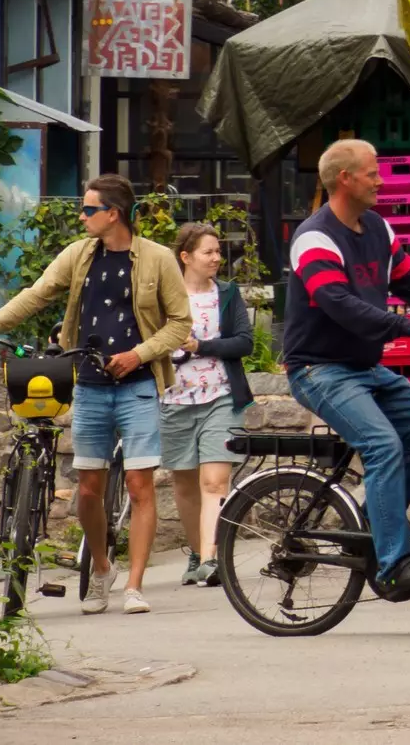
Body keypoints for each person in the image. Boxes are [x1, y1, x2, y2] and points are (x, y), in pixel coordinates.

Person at [0, 174, 189, 614]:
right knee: (88, 488)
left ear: (114, 213)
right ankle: (102, 566)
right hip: (89, 384)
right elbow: (35, 296)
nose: (82, 216)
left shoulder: (158, 259)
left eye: (89, 210)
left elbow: (180, 323)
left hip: (139, 386)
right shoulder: (78, 256)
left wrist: (139, 353)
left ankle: (134, 586)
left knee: (140, 484)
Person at [283, 140, 410, 597]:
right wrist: (409, 326)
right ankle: (392, 565)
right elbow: (338, 304)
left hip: (363, 367)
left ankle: (371, 526)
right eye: (372, 173)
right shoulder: (314, 237)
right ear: (345, 179)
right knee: (382, 445)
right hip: (319, 370)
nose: (380, 181)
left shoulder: (377, 228)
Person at [163, 222, 253, 588]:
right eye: (208, 252)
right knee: (184, 484)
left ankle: (212, 560)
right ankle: (197, 553)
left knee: (214, 482)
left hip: (222, 396)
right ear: (185, 257)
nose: (216, 258)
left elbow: (244, 343)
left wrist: (201, 346)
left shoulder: (228, 295)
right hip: (173, 399)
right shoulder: (164, 298)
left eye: (218, 252)